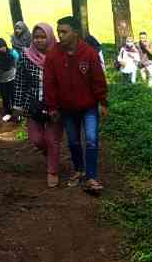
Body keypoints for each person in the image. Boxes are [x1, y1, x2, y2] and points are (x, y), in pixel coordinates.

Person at [44, 16, 108, 195]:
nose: (60, 36)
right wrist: (52, 107)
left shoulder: (89, 53)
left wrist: (102, 102)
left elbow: (98, 80)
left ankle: (91, 177)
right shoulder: (53, 55)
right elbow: (49, 83)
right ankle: (79, 170)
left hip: (89, 107)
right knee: (73, 141)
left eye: (64, 32)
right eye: (58, 32)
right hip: (66, 108)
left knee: (91, 139)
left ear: (75, 32)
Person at [13, 22, 65, 188]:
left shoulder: (60, 55)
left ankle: (52, 172)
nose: (39, 40)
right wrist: (17, 106)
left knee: (52, 139)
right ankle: (50, 154)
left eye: (43, 37)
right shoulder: (25, 57)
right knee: (36, 139)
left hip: (55, 106)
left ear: (50, 37)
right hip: (32, 105)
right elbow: (20, 82)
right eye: (36, 37)